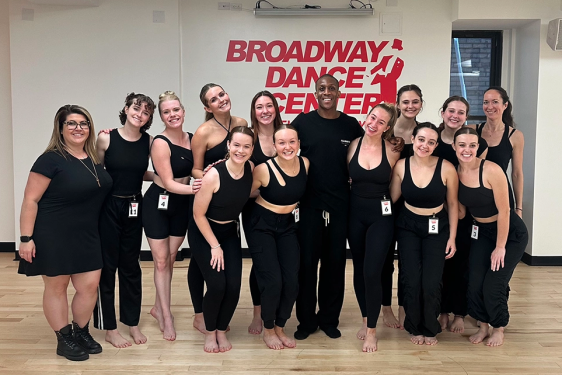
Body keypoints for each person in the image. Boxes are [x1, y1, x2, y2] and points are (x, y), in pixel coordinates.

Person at [18, 105, 112, 361]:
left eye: (83, 123)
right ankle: (64, 338)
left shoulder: (93, 158)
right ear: (60, 129)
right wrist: (26, 239)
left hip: (88, 234)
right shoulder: (50, 159)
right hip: (53, 233)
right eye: (71, 123)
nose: (78, 128)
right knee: (57, 286)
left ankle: (81, 331)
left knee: (89, 286)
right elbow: (30, 200)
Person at [292, 74, 364, 340]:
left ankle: (329, 319)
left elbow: (363, 155)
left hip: (340, 205)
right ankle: (306, 322)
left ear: (338, 92)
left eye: (331, 88)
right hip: (309, 205)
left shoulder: (351, 125)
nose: (327, 92)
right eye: (322, 88)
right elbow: (287, 153)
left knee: (334, 265)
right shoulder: (302, 122)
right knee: (307, 265)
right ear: (315, 93)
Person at [454, 127, 528, 347]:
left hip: (510, 234)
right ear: (454, 146)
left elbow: (505, 211)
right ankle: (483, 325)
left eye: (472, 145)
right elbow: (459, 212)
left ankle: (498, 327)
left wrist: (501, 246)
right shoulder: (455, 172)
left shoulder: (491, 170)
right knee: (475, 280)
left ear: (478, 147)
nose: (467, 150)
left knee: (493, 283)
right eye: (462, 145)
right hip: (481, 231)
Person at [92, 93, 154, 348]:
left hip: (134, 205)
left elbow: (140, 172)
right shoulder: (106, 137)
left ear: (149, 118)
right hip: (109, 206)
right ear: (126, 109)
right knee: (108, 268)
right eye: (136, 108)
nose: (139, 114)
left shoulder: (149, 142)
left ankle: (132, 323)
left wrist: (161, 178)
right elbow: (96, 172)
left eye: (146, 112)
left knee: (131, 267)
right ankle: (110, 327)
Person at [389, 122, 459, 346]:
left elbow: (453, 205)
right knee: (410, 278)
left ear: (436, 145)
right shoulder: (401, 166)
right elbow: (391, 199)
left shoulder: (447, 167)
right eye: (421, 140)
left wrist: (452, 238)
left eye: (430, 142)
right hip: (408, 225)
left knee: (431, 281)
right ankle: (414, 326)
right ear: (413, 140)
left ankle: (431, 327)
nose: (424, 145)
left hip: (436, 226)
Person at [188, 83, 249, 334]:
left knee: (214, 273)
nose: (221, 100)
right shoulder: (203, 132)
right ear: (207, 107)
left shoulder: (242, 121)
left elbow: (245, 156)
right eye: (214, 99)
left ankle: (215, 321)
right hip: (208, 201)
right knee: (201, 268)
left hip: (229, 217)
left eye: (222, 94)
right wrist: (208, 177)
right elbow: (195, 167)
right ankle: (200, 314)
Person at [142, 91, 201, 341]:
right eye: (166, 112)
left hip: (182, 205)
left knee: (171, 257)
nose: (172, 115)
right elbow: (166, 182)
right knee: (161, 261)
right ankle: (167, 316)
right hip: (159, 204)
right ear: (161, 117)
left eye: (176, 110)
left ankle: (158, 307)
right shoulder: (159, 142)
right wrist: (196, 188)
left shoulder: (193, 138)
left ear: (183, 111)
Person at [248, 124, 309, 350]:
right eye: (281, 143)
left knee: (292, 281)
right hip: (261, 226)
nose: (287, 147)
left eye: (292, 142)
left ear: (299, 144)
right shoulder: (263, 169)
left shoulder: (305, 164)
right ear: (274, 146)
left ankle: (281, 326)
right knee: (273, 281)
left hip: (288, 226)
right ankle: (269, 328)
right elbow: (244, 192)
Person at [347, 103, 400, 352]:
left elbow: (397, 188)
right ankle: (366, 318)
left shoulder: (393, 150)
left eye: (381, 122)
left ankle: (371, 332)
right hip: (354, 214)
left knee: (372, 271)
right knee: (359, 270)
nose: (374, 123)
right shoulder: (352, 146)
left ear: (387, 128)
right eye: (372, 117)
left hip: (381, 215)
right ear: (366, 117)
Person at [432, 96, 487, 333]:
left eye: (461, 112)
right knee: (441, 264)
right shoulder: (433, 140)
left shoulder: (474, 142)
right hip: (436, 212)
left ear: (466, 116)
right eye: (451, 110)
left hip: (464, 213)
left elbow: (474, 177)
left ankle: (459, 313)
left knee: (462, 264)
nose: (455, 115)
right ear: (442, 112)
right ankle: (442, 310)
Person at [381, 84, 425, 329]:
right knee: (386, 259)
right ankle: (385, 308)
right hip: (388, 202)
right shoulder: (387, 130)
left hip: (413, 205)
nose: (410, 106)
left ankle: (405, 306)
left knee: (409, 261)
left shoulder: (424, 132)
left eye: (415, 102)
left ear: (421, 104)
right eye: (405, 102)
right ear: (397, 103)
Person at [244, 90, 280, 335]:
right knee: (261, 264)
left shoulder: (286, 135)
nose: (265, 111)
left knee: (280, 264)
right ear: (253, 112)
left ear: (276, 109)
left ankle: (277, 312)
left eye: (269, 105)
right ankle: (258, 313)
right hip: (254, 211)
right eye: (259, 107)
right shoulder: (247, 137)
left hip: (285, 213)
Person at [473, 87, 524, 215]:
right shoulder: (472, 131)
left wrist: (519, 208)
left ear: (505, 105)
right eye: (486, 102)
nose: (490, 106)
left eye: (495, 101)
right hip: (475, 195)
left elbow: (517, 173)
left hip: (501, 195)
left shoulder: (515, 136)